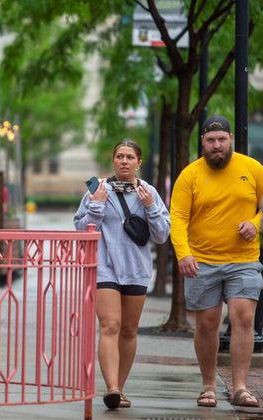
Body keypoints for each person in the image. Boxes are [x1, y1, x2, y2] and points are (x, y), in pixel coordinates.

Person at [170, 116, 263, 408]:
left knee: (243, 319)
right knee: (206, 325)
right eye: (211, 140)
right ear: (202, 142)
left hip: (243, 260)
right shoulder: (190, 175)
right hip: (202, 261)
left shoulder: (252, 168)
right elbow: (177, 217)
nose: (217, 145)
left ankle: (240, 387)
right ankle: (209, 385)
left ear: (230, 140)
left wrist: (256, 223)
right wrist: (183, 253)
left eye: (222, 139)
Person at [74, 139, 170, 410]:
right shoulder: (97, 188)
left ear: (139, 162)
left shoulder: (149, 192)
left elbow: (162, 235)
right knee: (110, 325)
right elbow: (81, 231)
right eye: (119, 156)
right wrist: (96, 206)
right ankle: (112, 387)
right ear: (113, 160)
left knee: (128, 330)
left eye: (130, 157)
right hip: (104, 267)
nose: (124, 161)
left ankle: (121, 388)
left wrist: (150, 206)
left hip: (136, 271)